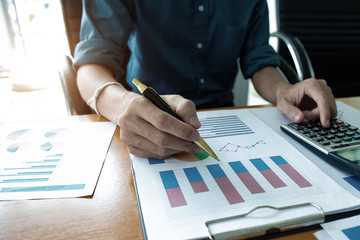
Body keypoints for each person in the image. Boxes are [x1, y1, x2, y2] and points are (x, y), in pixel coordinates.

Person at [73, 0, 337, 159]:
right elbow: (90, 66)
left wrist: (283, 89)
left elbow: (258, 59)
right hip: (143, 117)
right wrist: (122, 106)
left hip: (223, 112)